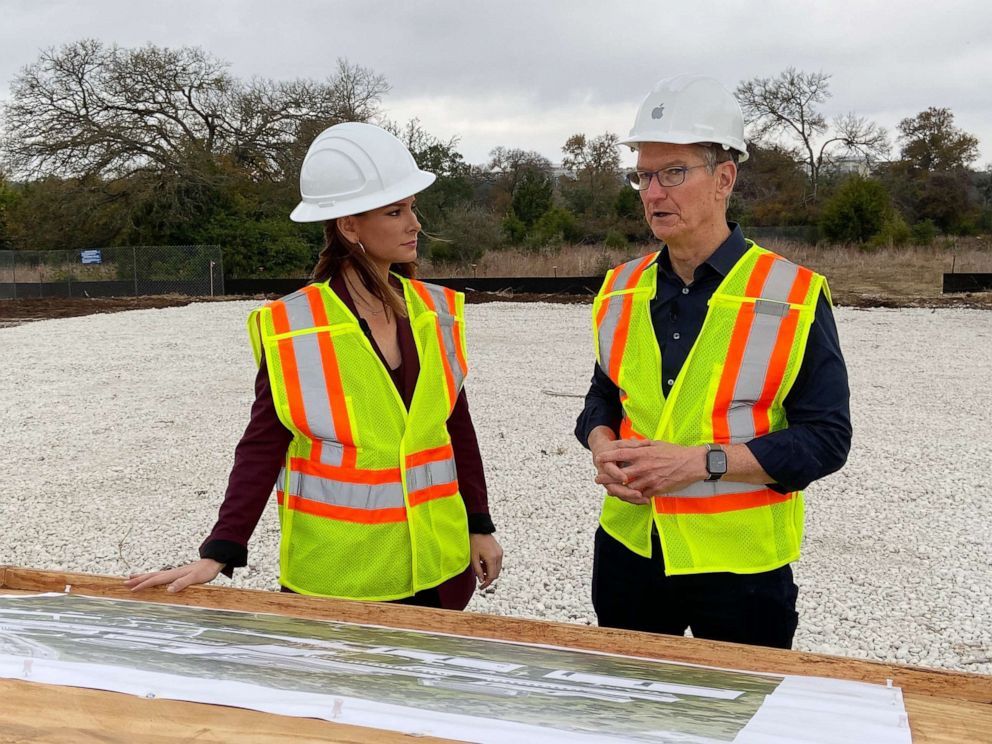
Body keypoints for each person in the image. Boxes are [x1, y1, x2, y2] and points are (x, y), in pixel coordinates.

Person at [127, 122, 502, 609]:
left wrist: (480, 526)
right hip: (341, 581)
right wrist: (220, 550)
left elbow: (456, 429)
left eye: (412, 208)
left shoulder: (435, 312)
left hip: (440, 569)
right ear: (349, 226)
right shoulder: (292, 326)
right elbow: (264, 442)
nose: (415, 224)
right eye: (395, 211)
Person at [574, 75, 851, 649]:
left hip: (741, 570)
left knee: (742, 722)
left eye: (673, 172)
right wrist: (601, 442)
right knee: (630, 719)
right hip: (630, 554)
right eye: (643, 176)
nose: (653, 192)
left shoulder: (792, 293)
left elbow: (826, 439)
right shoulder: (619, 289)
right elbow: (603, 398)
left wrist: (704, 463)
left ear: (725, 178)